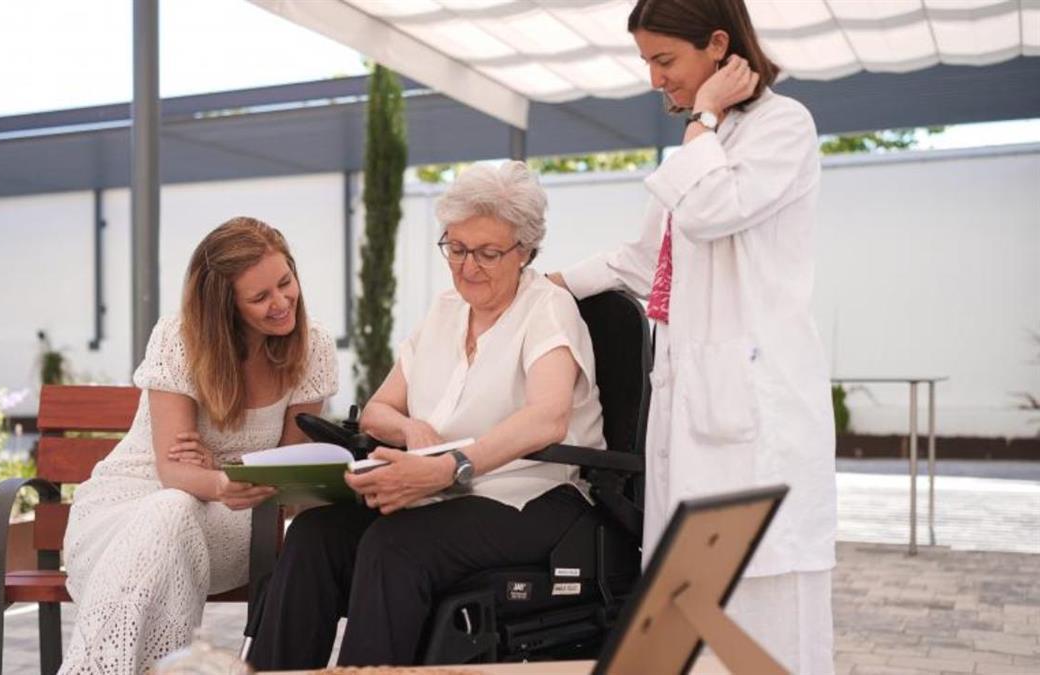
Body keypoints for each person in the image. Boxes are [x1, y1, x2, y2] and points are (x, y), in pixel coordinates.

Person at [548, 1, 837, 672]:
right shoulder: (705, 144)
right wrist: (540, 285)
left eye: (664, 60)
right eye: (646, 60)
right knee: (692, 618)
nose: (653, 78)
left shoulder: (782, 127)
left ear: (717, 44)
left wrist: (704, 116)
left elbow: (710, 210)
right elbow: (644, 258)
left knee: (769, 622)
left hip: (759, 416)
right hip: (696, 411)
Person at [246, 162, 606, 669]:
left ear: (525, 250)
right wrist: (410, 428)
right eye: (456, 249)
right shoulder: (444, 310)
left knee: (395, 545)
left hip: (532, 496)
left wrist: (449, 465)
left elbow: (548, 418)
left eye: (487, 252)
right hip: (443, 493)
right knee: (315, 535)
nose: (467, 267)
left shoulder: (547, 308)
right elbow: (377, 411)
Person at [59, 217, 338, 674]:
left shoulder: (313, 347)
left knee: (173, 508)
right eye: (260, 297)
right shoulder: (179, 338)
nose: (282, 302)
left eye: (286, 283)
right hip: (128, 504)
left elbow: (288, 474)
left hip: (237, 520)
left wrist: (219, 475)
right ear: (223, 307)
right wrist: (216, 477)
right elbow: (172, 472)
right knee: (170, 506)